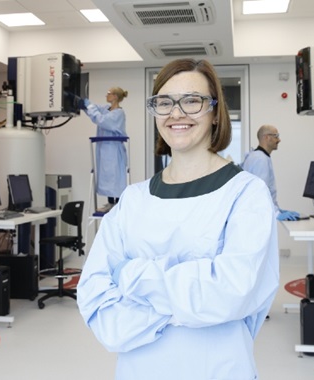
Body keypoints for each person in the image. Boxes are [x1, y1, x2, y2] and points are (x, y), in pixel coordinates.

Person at [77, 58, 279, 380]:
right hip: (138, 371)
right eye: (165, 102)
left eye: (192, 101)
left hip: (219, 369)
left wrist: (132, 276)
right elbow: (95, 297)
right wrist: (192, 292)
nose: (176, 113)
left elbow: (232, 293)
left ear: (215, 113)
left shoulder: (245, 193)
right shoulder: (133, 199)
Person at [79, 87, 128, 213]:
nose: (106, 95)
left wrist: (89, 108)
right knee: (106, 176)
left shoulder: (118, 113)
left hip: (113, 149)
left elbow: (101, 120)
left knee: (114, 177)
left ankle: (117, 205)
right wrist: (84, 103)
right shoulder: (107, 109)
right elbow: (95, 109)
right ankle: (110, 203)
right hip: (104, 149)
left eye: (109, 93)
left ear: (115, 97)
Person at [241, 125, 300, 221]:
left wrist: (277, 209)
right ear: (266, 137)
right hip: (257, 217)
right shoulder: (260, 159)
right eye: (276, 136)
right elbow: (260, 193)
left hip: (259, 214)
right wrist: (276, 213)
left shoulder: (260, 157)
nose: (279, 140)